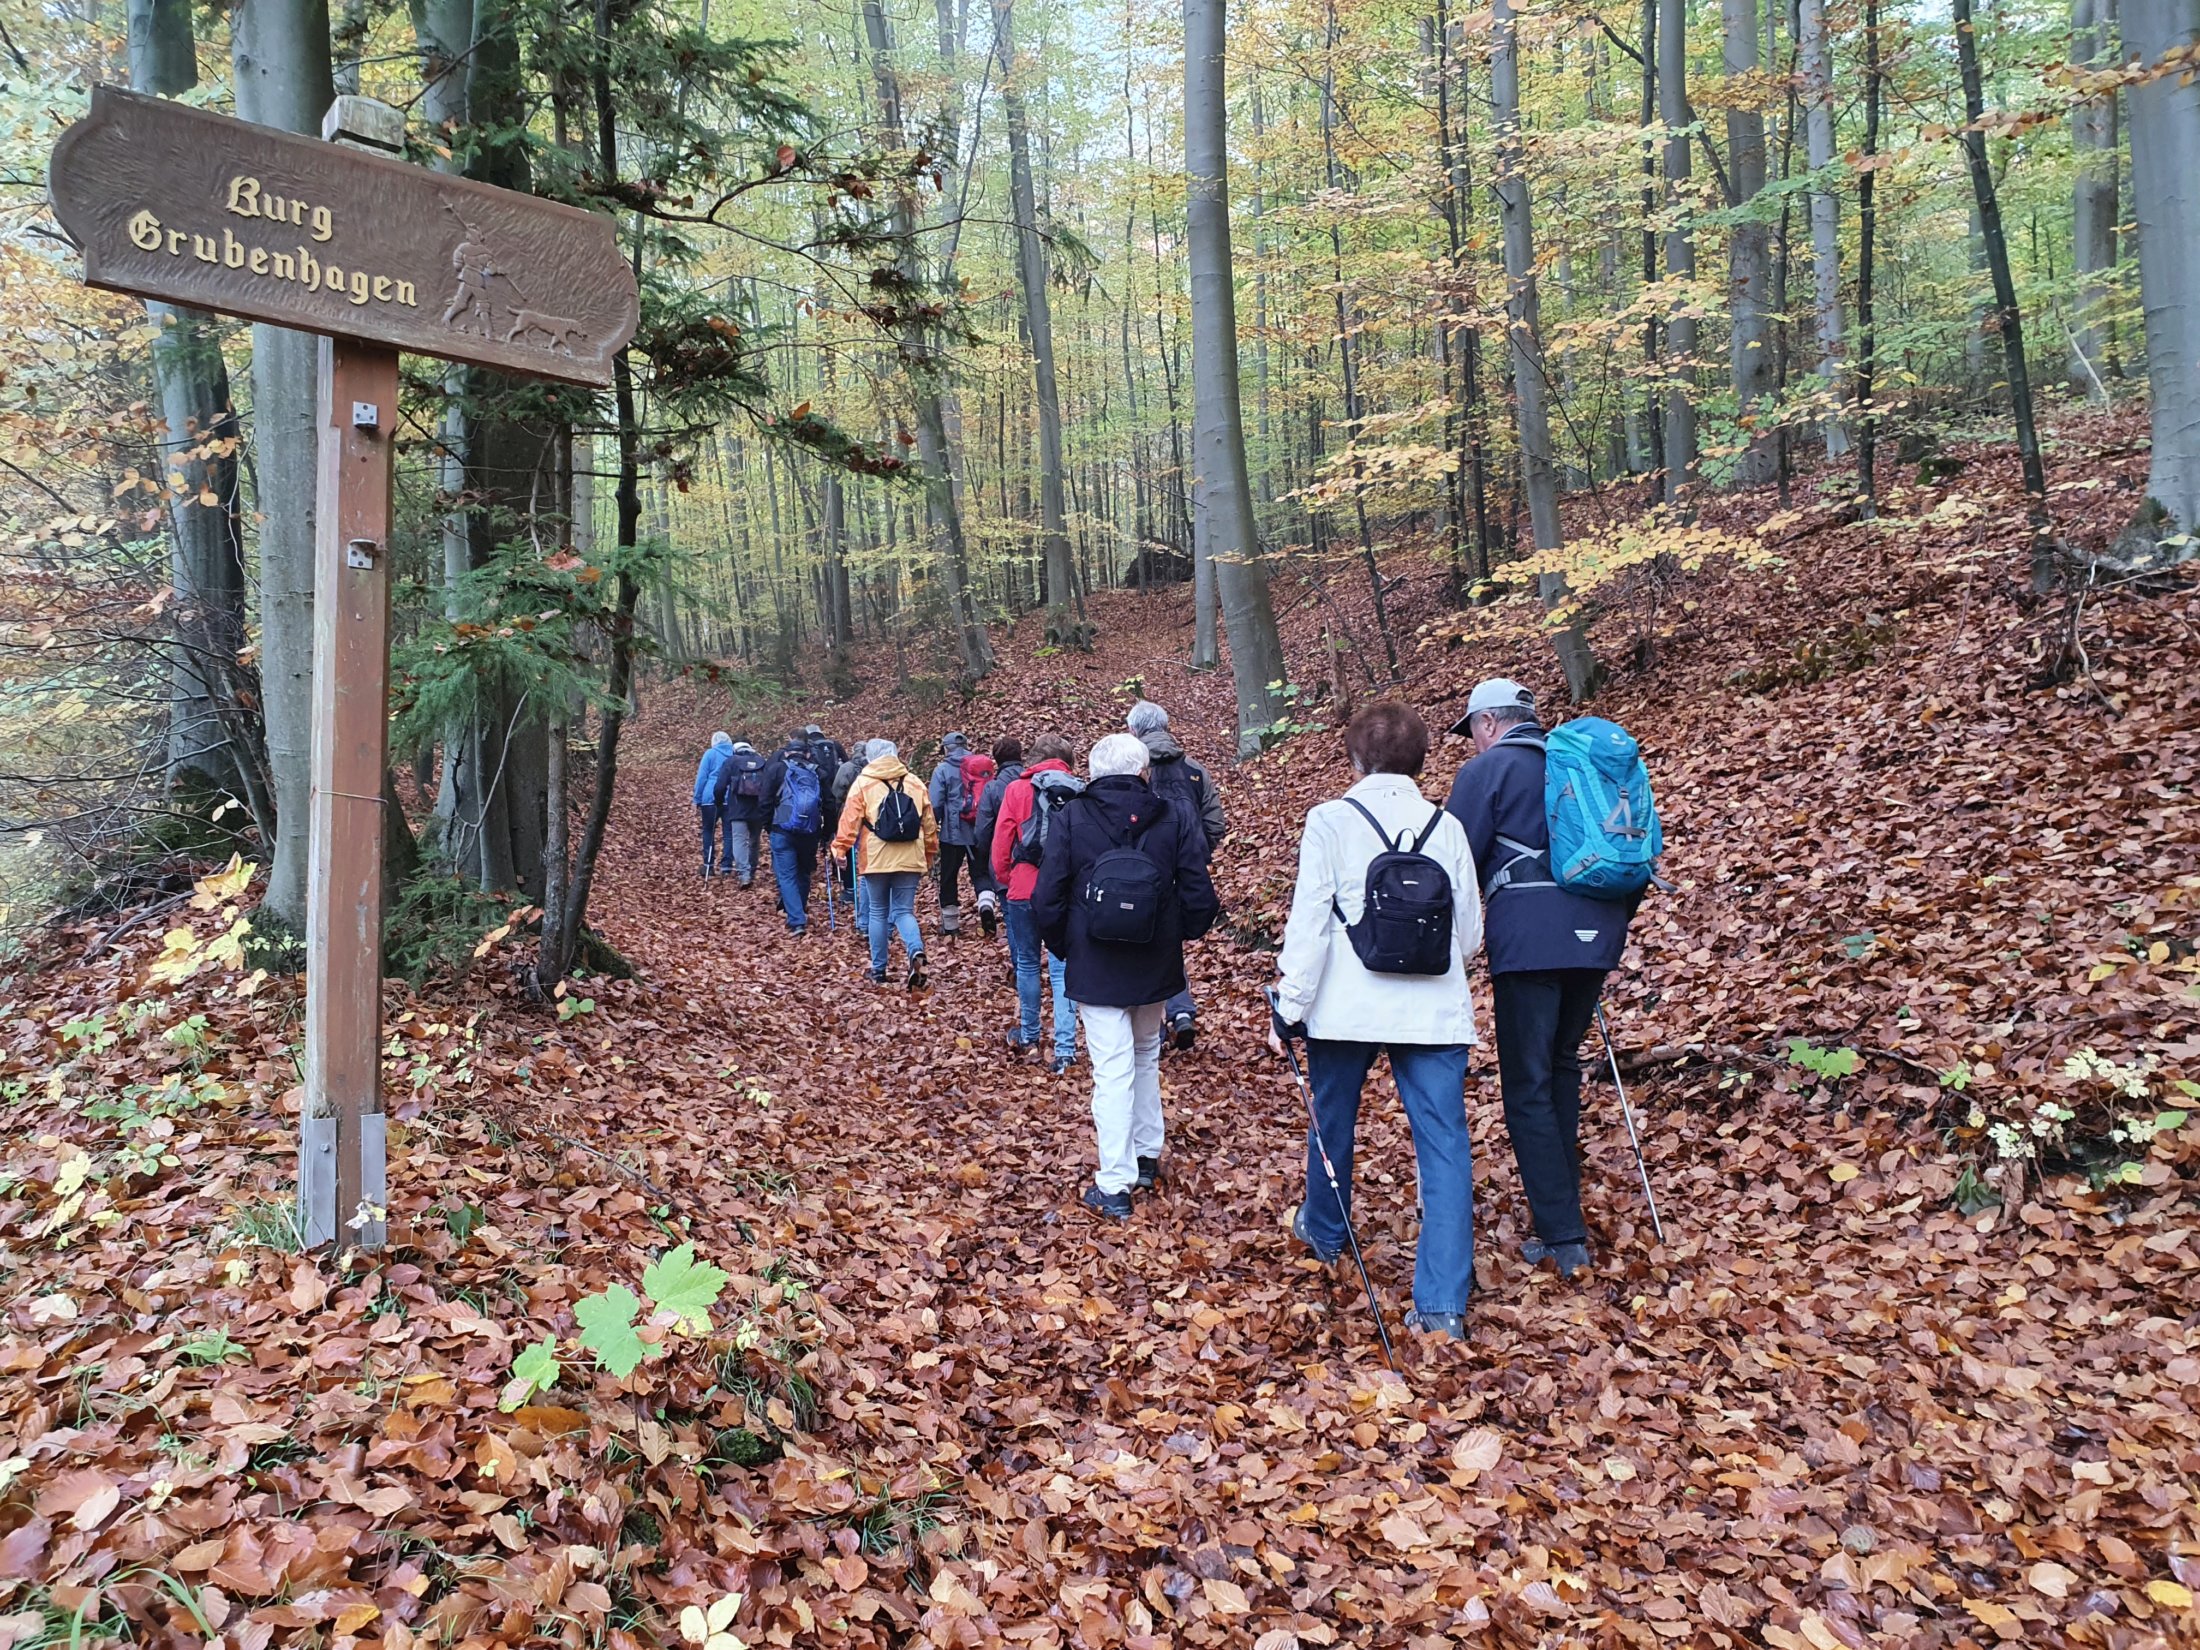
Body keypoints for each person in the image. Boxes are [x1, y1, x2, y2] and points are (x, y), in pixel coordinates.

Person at [1266, 702, 1485, 1339]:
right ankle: (1442, 1304)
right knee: (1443, 1146)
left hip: (1347, 1007)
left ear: (1356, 759)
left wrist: (1291, 1002)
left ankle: (1326, 1232)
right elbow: (1468, 935)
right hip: (1434, 1011)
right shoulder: (1447, 826)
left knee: (1331, 1120)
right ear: (1420, 760)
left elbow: (1309, 922)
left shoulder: (1330, 820)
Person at [1444, 678, 1635, 1279]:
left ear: (1489, 724)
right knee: (1561, 1067)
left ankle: (1562, 1236)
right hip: (1597, 935)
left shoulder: (1487, 774)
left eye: (1472, 731)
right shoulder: (1574, 763)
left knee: (1527, 1082)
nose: (1471, 743)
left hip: (1528, 943)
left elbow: (1455, 863)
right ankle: (1562, 1215)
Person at [1034, 732, 1220, 1220]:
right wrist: (1183, 934)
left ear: (1093, 774)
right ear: (1143, 772)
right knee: (1144, 1056)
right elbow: (1198, 887)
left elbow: (1047, 896)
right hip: (1155, 961)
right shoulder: (1174, 815)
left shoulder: (1071, 816)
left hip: (1095, 964)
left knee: (1112, 1069)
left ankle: (1115, 1183)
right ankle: (1145, 1155)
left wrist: (1065, 947)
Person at [1127, 701, 1227, 1051]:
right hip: (1184, 873)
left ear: (1134, 732)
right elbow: (1216, 823)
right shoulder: (1195, 770)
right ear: (1167, 727)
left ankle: (1152, 1026)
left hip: (1139, 873)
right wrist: (1197, 856)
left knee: (1141, 943)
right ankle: (1181, 1011)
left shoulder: (1131, 769)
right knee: (1169, 942)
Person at [990, 733, 1081, 1075]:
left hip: (1024, 888)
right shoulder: (1078, 790)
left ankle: (1029, 1035)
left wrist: (1005, 878)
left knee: (1028, 964)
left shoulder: (1016, 790)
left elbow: (1002, 842)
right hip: (1063, 891)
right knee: (1061, 968)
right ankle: (1066, 1049)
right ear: (1066, 760)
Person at [833, 738, 938, 988]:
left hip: (876, 857)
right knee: (903, 911)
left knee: (878, 912)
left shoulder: (864, 783)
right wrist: (929, 854)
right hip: (910, 856)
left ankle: (879, 969)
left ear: (871, 756)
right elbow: (929, 824)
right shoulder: (914, 782)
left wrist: (840, 849)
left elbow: (849, 821)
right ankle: (915, 951)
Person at [761, 730, 827, 933]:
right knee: (804, 872)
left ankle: (797, 919)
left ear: (787, 753)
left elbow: (764, 801)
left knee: (787, 875)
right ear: (808, 754)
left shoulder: (776, 769)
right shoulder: (819, 773)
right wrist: (826, 832)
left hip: (782, 829)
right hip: (810, 832)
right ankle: (798, 907)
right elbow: (830, 805)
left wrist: (768, 826)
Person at [928, 732, 979, 935]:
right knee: (981, 873)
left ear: (946, 749)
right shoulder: (979, 766)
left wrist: (934, 825)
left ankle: (951, 925)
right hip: (979, 829)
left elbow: (935, 803)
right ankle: (987, 910)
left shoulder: (942, 770)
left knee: (949, 876)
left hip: (952, 834)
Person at [972, 737, 1024, 938]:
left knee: (1012, 918)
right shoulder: (1037, 781)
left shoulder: (992, 788)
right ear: (1020, 756)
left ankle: (1023, 968)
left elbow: (982, 831)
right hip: (1038, 860)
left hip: (1004, 862)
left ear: (996, 760)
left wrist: (983, 858)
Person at [721, 738, 770, 886]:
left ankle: (744, 874)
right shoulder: (761, 761)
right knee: (754, 841)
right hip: (757, 809)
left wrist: (719, 803)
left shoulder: (731, 761)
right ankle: (752, 870)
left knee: (739, 840)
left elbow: (720, 785)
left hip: (737, 808)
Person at [693, 732, 735, 878]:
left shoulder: (710, 754)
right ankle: (727, 866)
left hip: (710, 798)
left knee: (708, 831)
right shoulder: (734, 754)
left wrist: (697, 798)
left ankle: (708, 865)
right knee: (728, 833)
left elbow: (702, 777)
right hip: (730, 797)